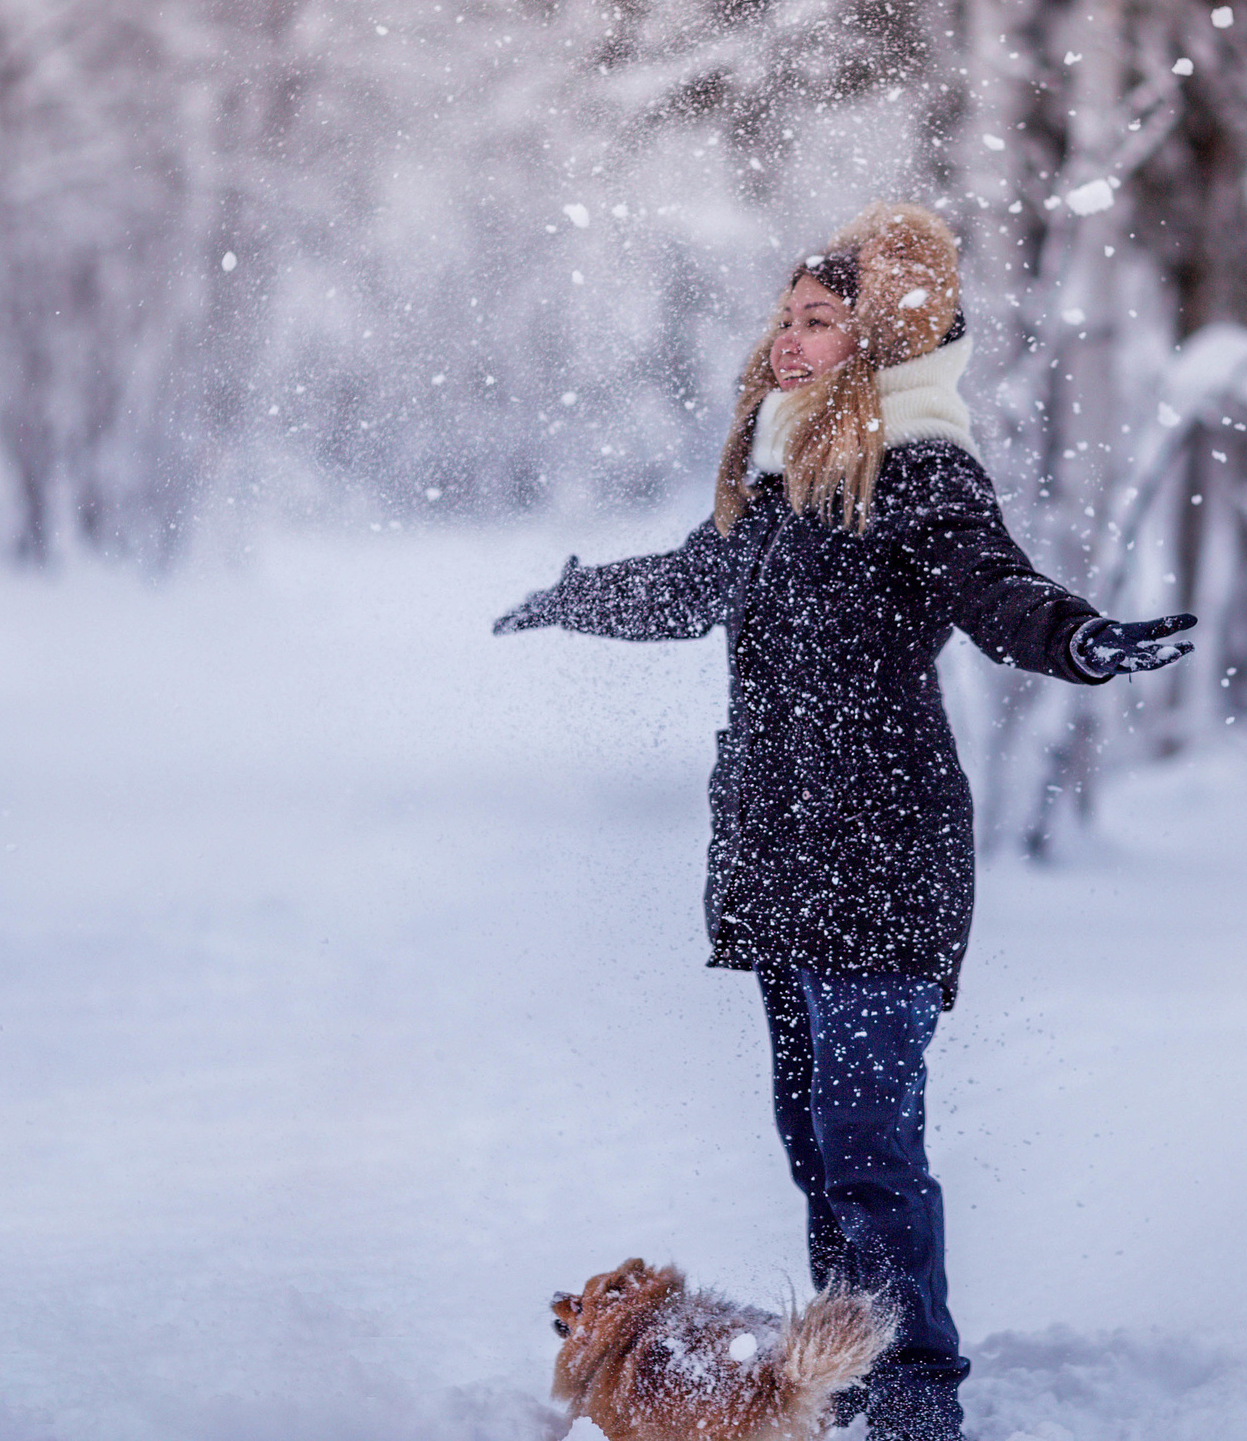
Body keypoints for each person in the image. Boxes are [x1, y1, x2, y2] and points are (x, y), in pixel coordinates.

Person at [493, 201, 1192, 1441]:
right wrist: (575, 596)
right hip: (781, 855)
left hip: (883, 849)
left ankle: (914, 1392)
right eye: (785, 318)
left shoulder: (916, 468)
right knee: (816, 1145)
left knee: (868, 1144)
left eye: (819, 320)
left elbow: (995, 589)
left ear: (876, 341)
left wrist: (1078, 639)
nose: (789, 338)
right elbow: (688, 588)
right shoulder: (774, 485)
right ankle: (849, 1375)